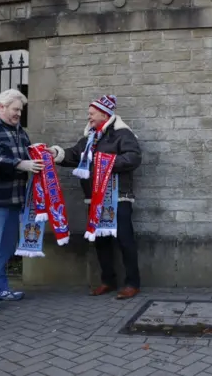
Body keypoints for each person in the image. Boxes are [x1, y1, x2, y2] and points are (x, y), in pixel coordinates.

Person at [47, 94, 143, 299]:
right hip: (94, 198)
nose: (88, 116)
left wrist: (104, 163)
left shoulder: (123, 134)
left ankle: (132, 283)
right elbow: (73, 155)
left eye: (92, 113)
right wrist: (54, 154)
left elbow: (133, 158)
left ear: (104, 114)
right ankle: (108, 281)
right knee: (100, 242)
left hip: (118, 197)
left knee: (125, 240)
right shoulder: (89, 137)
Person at [0, 89, 43, 313]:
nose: (18, 114)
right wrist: (18, 164)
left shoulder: (20, 132)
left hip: (16, 197)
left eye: (21, 110)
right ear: (1, 107)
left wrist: (44, 156)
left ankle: (0, 287)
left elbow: (29, 154)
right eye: (15, 109)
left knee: (6, 246)